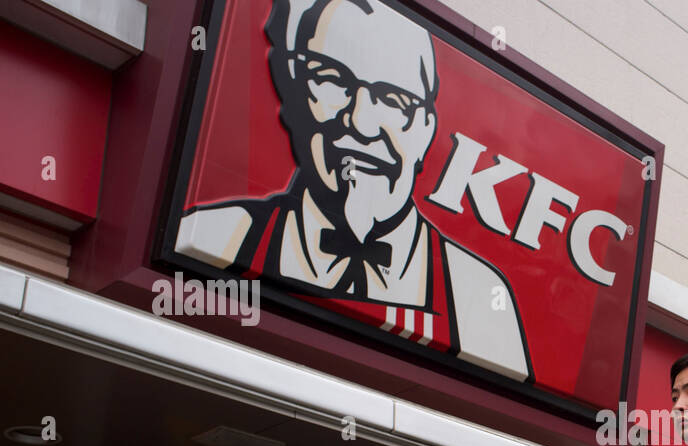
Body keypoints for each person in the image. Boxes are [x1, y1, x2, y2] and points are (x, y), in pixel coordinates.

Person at [177, 0, 531, 381]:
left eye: (394, 100)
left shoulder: (477, 297)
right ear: (295, 93)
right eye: (332, 80)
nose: (362, 123)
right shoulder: (220, 234)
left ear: (426, 128)